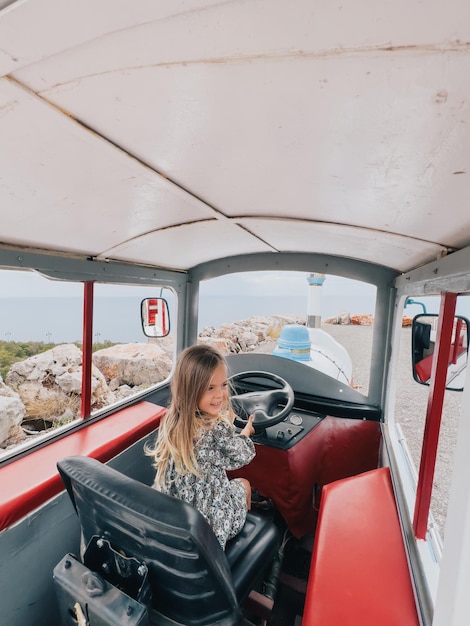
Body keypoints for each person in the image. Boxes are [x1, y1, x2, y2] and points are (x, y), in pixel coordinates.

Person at [147, 343, 256, 549]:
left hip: (176, 518)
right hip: (209, 527)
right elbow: (241, 457)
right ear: (191, 390)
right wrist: (245, 433)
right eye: (210, 388)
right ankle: (244, 542)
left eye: (224, 385)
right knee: (244, 484)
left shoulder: (172, 422)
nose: (220, 395)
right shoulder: (216, 430)